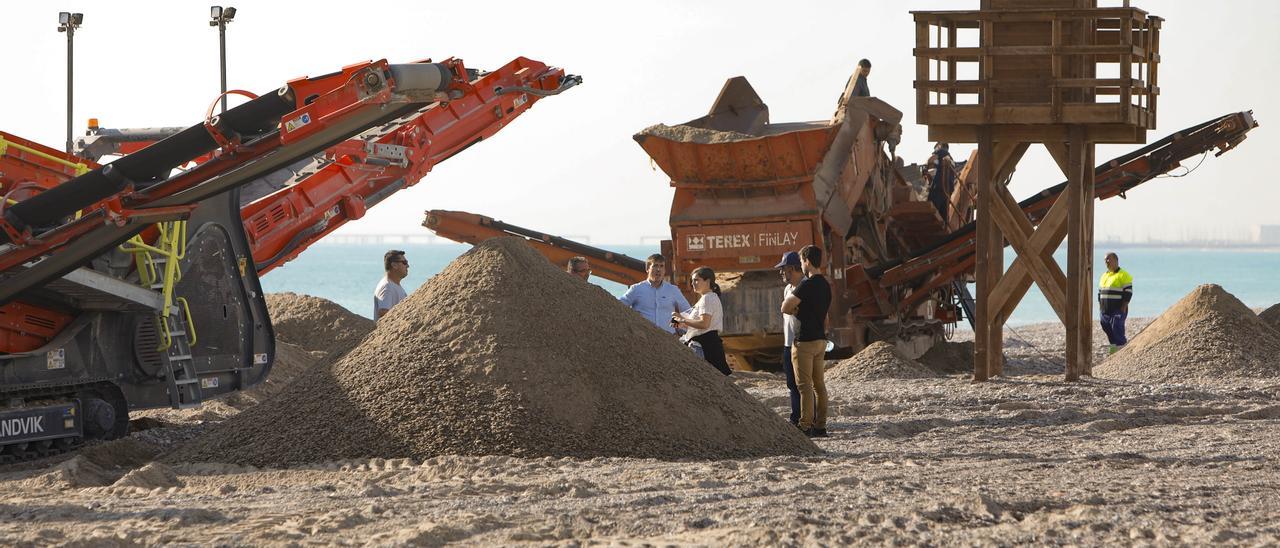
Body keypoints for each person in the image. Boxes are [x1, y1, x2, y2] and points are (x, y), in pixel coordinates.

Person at [781, 245, 832, 438]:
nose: (801, 265)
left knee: (804, 386)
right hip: (821, 340)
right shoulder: (825, 285)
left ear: (807, 262)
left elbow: (785, 307)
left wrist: (796, 309)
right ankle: (821, 425)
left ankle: (805, 425)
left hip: (804, 341)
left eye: (802, 262)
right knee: (819, 385)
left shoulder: (807, 284)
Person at [673, 267, 732, 376]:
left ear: (708, 281)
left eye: (696, 280)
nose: (693, 283)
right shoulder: (708, 298)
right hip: (707, 344)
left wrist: (683, 320)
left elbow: (704, 324)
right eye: (692, 280)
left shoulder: (707, 298)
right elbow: (698, 326)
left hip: (703, 347)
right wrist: (680, 322)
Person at [620, 254, 691, 335]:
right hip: (644, 338)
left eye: (661, 266)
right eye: (655, 266)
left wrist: (678, 328)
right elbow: (619, 306)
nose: (658, 269)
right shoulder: (636, 289)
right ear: (647, 269)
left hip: (669, 340)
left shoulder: (673, 290)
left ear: (664, 270)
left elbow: (687, 312)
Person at [776, 251, 805, 426]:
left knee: (804, 384)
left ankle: (808, 418)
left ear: (793, 269)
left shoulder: (805, 287)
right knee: (792, 384)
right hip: (789, 343)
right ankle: (796, 417)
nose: (781, 273)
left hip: (802, 342)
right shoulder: (788, 289)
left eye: (784, 269)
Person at [1098, 252, 1134, 354]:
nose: (1106, 262)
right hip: (1105, 310)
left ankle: (1123, 352)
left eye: (1108, 259)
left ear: (1116, 260)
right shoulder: (1104, 275)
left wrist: (1124, 306)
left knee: (1117, 327)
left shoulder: (1123, 274)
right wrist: (1100, 306)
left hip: (1117, 309)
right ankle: (1113, 353)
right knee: (1106, 327)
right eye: (1105, 260)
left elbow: (1128, 292)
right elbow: (1100, 292)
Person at [374, 249, 409, 320]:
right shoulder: (387, 287)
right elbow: (383, 312)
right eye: (404, 262)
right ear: (394, 265)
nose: (408, 266)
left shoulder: (394, 286)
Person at [927, 142, 955, 221]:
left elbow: (930, 160)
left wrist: (927, 168)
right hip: (948, 190)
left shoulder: (941, 152)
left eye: (935, 148)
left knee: (931, 210)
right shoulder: (951, 159)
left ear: (940, 146)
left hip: (938, 187)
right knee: (943, 216)